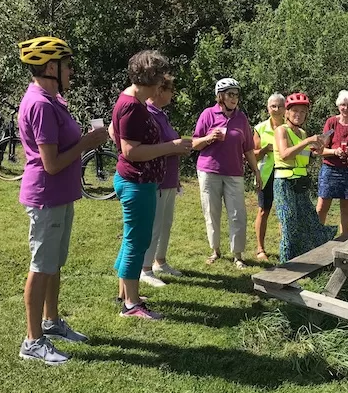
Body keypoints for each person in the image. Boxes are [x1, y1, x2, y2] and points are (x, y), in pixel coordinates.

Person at [16, 36, 109, 364]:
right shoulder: (40, 104)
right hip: (46, 196)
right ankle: (32, 341)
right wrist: (88, 141)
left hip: (59, 196)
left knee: (53, 263)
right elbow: (51, 163)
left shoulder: (53, 99)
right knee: (41, 267)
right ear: (50, 67)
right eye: (67, 65)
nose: (71, 71)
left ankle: (51, 323)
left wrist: (85, 139)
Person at [111, 50, 191, 320]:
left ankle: (126, 293)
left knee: (132, 238)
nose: (162, 84)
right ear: (151, 78)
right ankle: (132, 305)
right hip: (137, 181)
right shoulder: (133, 106)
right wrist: (172, 146)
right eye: (159, 77)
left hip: (136, 180)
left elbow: (114, 132)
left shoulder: (130, 97)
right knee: (137, 241)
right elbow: (131, 151)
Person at [191, 78, 262, 269]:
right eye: (230, 94)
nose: (234, 98)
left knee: (238, 213)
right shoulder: (207, 114)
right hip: (209, 170)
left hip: (234, 173)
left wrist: (256, 171)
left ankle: (238, 255)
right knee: (212, 212)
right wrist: (209, 138)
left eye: (236, 94)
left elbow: (248, 148)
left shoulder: (241, 118)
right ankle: (215, 250)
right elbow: (194, 143)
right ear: (220, 96)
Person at [139, 74, 191, 287]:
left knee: (166, 223)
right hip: (156, 179)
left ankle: (161, 261)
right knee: (154, 225)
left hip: (169, 177)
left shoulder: (161, 114)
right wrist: (177, 145)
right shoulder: (147, 113)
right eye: (171, 90)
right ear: (160, 91)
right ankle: (145, 268)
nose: (173, 94)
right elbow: (153, 146)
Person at [273, 92, 337, 263]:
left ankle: (308, 258)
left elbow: (304, 156)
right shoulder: (281, 130)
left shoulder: (302, 133)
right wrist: (307, 141)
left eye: (303, 112)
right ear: (286, 112)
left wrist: (316, 149)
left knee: (310, 220)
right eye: (295, 111)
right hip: (284, 182)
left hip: (300, 182)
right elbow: (285, 154)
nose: (299, 115)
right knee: (289, 223)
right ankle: (286, 264)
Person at [316, 90, 348, 234]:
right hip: (330, 169)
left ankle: (344, 237)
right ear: (338, 106)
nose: (346, 108)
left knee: (346, 208)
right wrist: (335, 151)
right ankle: (317, 236)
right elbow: (321, 149)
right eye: (343, 105)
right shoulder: (331, 123)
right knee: (322, 206)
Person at [253, 93, 285, 261]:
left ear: (285, 108)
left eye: (280, 106)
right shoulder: (260, 128)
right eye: (273, 106)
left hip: (285, 173)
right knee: (264, 210)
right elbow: (252, 155)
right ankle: (260, 249)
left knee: (285, 211)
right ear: (268, 108)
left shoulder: (290, 127)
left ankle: (285, 247)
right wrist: (265, 150)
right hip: (266, 174)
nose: (277, 109)